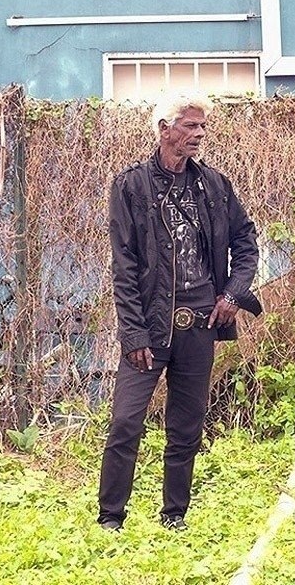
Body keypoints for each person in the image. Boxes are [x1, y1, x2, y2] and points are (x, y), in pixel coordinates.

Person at [98, 90, 261, 531]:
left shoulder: (214, 185)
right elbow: (124, 267)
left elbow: (246, 242)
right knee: (125, 422)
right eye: (190, 125)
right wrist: (134, 335)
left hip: (200, 324)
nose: (199, 133)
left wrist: (233, 295)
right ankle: (110, 518)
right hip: (151, 327)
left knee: (186, 426)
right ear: (164, 129)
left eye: (203, 126)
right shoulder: (131, 185)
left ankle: (175, 516)